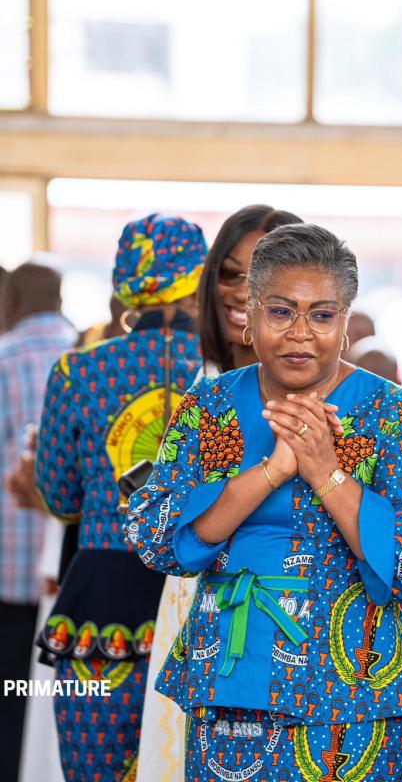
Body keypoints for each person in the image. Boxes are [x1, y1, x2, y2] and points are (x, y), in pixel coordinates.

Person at [128, 223, 402, 781]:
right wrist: (273, 469)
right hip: (233, 693)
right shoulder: (211, 407)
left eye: (323, 315)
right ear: (250, 318)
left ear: (346, 324)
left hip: (360, 702)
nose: (301, 333)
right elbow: (156, 538)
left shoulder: (392, 414)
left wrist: (326, 472)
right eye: (281, 312)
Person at [35, 214, 207, 781]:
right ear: (198, 281)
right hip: (201, 599)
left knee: (97, 766)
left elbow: (60, 496)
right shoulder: (226, 376)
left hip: (101, 611)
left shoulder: (77, 372)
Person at [138, 204, 302, 782]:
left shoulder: (335, 394)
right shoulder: (197, 394)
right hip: (190, 612)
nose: (243, 290)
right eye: (231, 274)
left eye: (264, 273)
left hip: (292, 639)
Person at [0, 262, 77, 782]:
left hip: (8, 570)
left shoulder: (3, 360)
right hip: (68, 568)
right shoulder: (87, 357)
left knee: (8, 697)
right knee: (54, 697)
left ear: (11, 303)